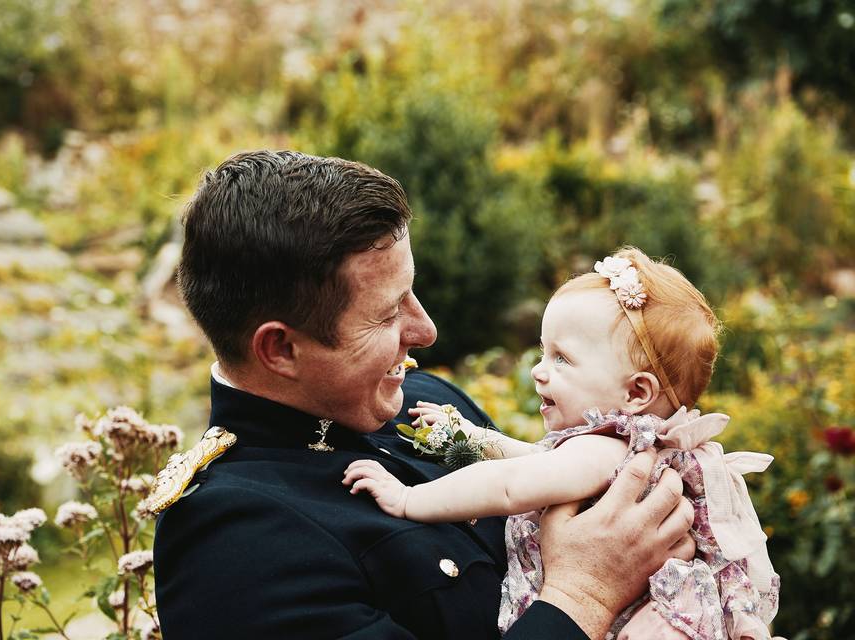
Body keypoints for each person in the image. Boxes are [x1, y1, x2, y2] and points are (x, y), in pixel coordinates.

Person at [149, 150, 695, 639]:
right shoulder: (234, 543)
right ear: (281, 350)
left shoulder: (426, 399)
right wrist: (583, 597)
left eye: (412, 291)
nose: (426, 330)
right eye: (388, 313)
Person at [344, 247, 780, 639]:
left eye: (562, 358)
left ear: (635, 394)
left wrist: (408, 498)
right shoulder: (621, 450)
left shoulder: (603, 451)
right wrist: (475, 438)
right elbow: (539, 459)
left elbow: (510, 485)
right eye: (542, 351)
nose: (538, 370)